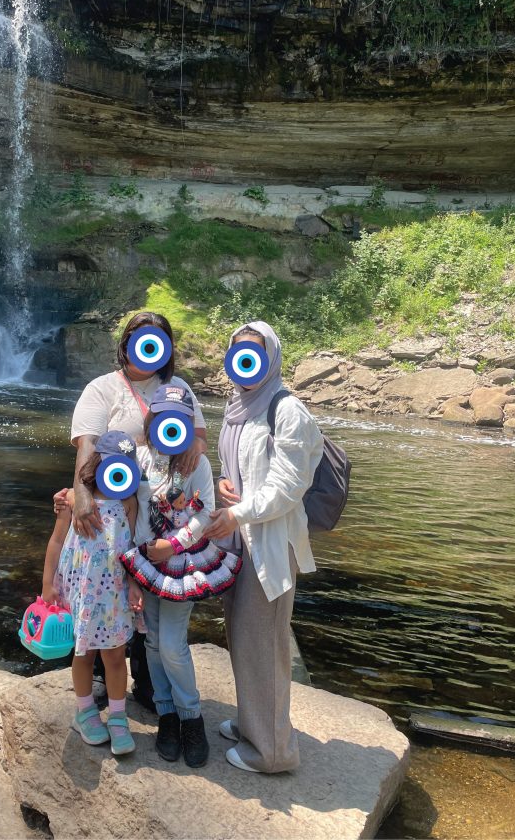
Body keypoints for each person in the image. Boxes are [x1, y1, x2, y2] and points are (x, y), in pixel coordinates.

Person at [56, 311, 208, 708]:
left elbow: (200, 440)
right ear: (125, 344)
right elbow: (87, 445)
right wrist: (81, 495)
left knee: (143, 601)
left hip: (163, 516)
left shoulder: (177, 388)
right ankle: (106, 682)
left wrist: (194, 446)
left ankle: (146, 689)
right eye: (141, 339)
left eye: (159, 340)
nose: (149, 348)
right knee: (110, 588)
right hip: (113, 513)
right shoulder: (102, 388)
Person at [203, 321, 324, 774]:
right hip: (241, 541)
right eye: (238, 355)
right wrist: (224, 483)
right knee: (241, 635)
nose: (244, 364)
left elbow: (288, 486)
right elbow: (240, 467)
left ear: (271, 357)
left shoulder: (286, 409)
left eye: (253, 355)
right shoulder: (241, 406)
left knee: (264, 641)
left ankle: (272, 751)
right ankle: (254, 722)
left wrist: (237, 512)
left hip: (269, 544)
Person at [121, 384, 233, 768]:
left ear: (188, 423)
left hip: (181, 563)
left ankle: (191, 718)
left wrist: (175, 544)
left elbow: (204, 515)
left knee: (172, 644)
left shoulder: (196, 463)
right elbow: (129, 508)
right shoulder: (139, 457)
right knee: (151, 642)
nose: (171, 425)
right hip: (145, 560)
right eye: (163, 417)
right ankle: (167, 715)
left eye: (180, 420)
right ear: (151, 420)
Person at [41, 430, 144, 757]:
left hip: (113, 593)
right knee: (82, 654)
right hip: (80, 592)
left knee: (115, 656)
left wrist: (134, 583)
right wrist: (47, 584)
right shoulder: (73, 499)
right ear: (97, 463)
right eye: (113, 466)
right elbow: (57, 541)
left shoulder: (128, 502)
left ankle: (117, 717)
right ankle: (84, 711)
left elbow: (131, 548)